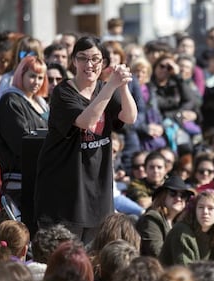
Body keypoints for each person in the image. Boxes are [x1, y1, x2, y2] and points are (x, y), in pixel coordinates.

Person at [34, 36, 137, 244]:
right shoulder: (63, 92)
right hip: (64, 194)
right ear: (74, 61)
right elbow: (87, 121)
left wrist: (123, 86)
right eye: (83, 58)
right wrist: (111, 86)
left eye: (96, 59)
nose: (89, 65)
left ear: (104, 63)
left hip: (96, 192)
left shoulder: (106, 89)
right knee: (64, 264)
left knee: (90, 264)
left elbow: (130, 117)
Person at [0, 55, 49, 209]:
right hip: (19, 184)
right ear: (21, 75)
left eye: (40, 77)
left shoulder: (42, 104)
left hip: (42, 179)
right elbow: (22, 144)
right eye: (32, 76)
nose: (37, 82)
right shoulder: (10, 101)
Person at [136, 175, 195, 257]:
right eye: (173, 193)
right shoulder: (152, 218)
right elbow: (157, 252)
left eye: (183, 195)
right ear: (163, 196)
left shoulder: (181, 222)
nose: (178, 198)